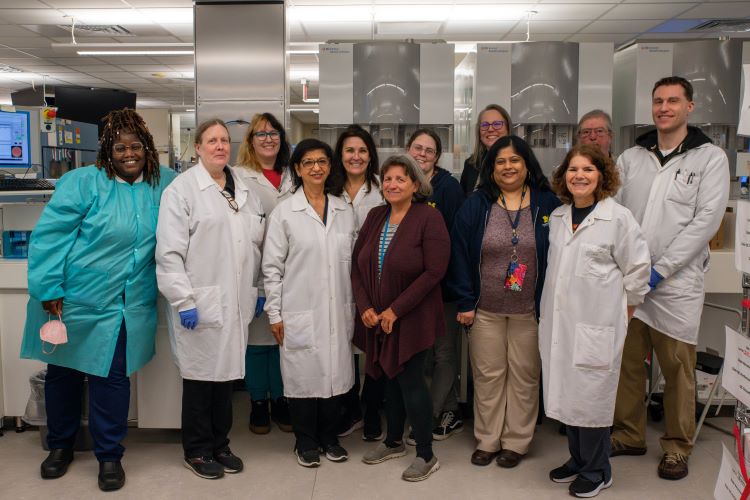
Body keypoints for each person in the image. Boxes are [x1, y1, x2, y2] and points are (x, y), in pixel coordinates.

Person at [20, 108, 177, 491]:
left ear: (148, 149)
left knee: (113, 378)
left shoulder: (166, 183)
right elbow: (51, 236)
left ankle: (110, 456)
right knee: (64, 375)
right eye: (119, 147)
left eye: (136, 146)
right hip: (73, 298)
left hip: (126, 303)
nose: (128, 154)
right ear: (107, 150)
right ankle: (60, 447)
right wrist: (49, 288)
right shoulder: (83, 183)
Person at [611, 76, 730, 480]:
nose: (664, 107)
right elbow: (614, 212)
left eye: (673, 101)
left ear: (689, 107)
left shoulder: (709, 159)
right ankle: (628, 434)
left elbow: (705, 223)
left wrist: (662, 270)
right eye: (658, 101)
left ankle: (677, 447)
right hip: (631, 279)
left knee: (678, 367)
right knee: (627, 362)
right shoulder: (631, 156)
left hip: (676, 284)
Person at [156, 118, 265, 480]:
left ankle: (221, 443)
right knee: (201, 378)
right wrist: (183, 300)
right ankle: (198, 450)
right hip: (200, 301)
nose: (220, 146)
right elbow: (169, 252)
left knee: (227, 378)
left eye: (224, 140)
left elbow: (254, 244)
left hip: (235, 300)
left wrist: (258, 288)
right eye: (212, 141)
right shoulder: (182, 191)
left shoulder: (242, 188)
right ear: (198, 147)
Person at [541, 145, 651, 498]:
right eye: (573, 169)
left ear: (602, 175)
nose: (579, 175)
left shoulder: (617, 218)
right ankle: (577, 460)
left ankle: (598, 469)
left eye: (588, 169)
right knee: (569, 393)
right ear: (564, 177)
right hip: (562, 324)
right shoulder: (558, 217)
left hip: (598, 323)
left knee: (591, 397)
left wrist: (627, 310)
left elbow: (638, 269)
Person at [449, 135, 561, 469]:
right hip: (485, 310)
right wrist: (465, 301)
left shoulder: (547, 203)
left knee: (525, 376)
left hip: (530, 311)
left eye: (515, 160)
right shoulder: (477, 204)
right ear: (491, 168)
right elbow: (457, 253)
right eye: (500, 161)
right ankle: (487, 439)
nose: (508, 167)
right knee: (488, 375)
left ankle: (516, 441)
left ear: (527, 165)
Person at [355, 155, 450, 482]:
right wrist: (365, 305)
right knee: (388, 377)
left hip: (412, 316)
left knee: (410, 381)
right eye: (388, 179)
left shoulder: (428, 218)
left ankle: (426, 453)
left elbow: (435, 271)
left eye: (400, 179)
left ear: (415, 184)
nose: (393, 184)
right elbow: (357, 265)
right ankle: (393, 441)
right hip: (377, 318)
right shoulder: (375, 216)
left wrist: (396, 310)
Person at [262, 138, 356, 468]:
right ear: (298, 169)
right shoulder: (285, 213)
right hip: (298, 308)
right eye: (308, 162)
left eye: (322, 161)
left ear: (330, 167)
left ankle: (330, 438)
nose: (316, 167)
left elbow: (353, 262)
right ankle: (305, 441)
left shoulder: (344, 210)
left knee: (334, 375)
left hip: (338, 308)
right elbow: (271, 268)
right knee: (303, 377)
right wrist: (274, 312)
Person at [235, 112, 293, 435]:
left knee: (282, 339)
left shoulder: (292, 176)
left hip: (289, 270)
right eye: (261, 134)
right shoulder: (238, 176)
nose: (268, 138)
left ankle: (282, 399)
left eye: (274, 133)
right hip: (254, 269)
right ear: (250, 141)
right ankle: (259, 402)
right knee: (257, 342)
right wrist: (256, 286)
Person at [406, 129, 465, 441]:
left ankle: (428, 416)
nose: (423, 154)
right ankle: (449, 409)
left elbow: (456, 241)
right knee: (422, 354)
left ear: (437, 157)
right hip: (410, 291)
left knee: (442, 353)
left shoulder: (448, 188)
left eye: (429, 150)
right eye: (418, 148)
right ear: (408, 149)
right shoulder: (401, 183)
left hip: (441, 289)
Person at [330, 125, 387, 441]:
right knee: (343, 347)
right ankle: (350, 409)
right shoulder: (327, 188)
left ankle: (371, 409)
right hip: (335, 277)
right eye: (350, 150)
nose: (356, 156)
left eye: (362, 150)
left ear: (371, 155)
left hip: (374, 279)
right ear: (341, 154)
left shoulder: (381, 188)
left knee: (375, 347)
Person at [459, 104, 512, 195]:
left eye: (497, 124)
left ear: (508, 129)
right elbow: (463, 203)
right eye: (484, 125)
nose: (490, 129)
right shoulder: (471, 164)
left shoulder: (522, 163)